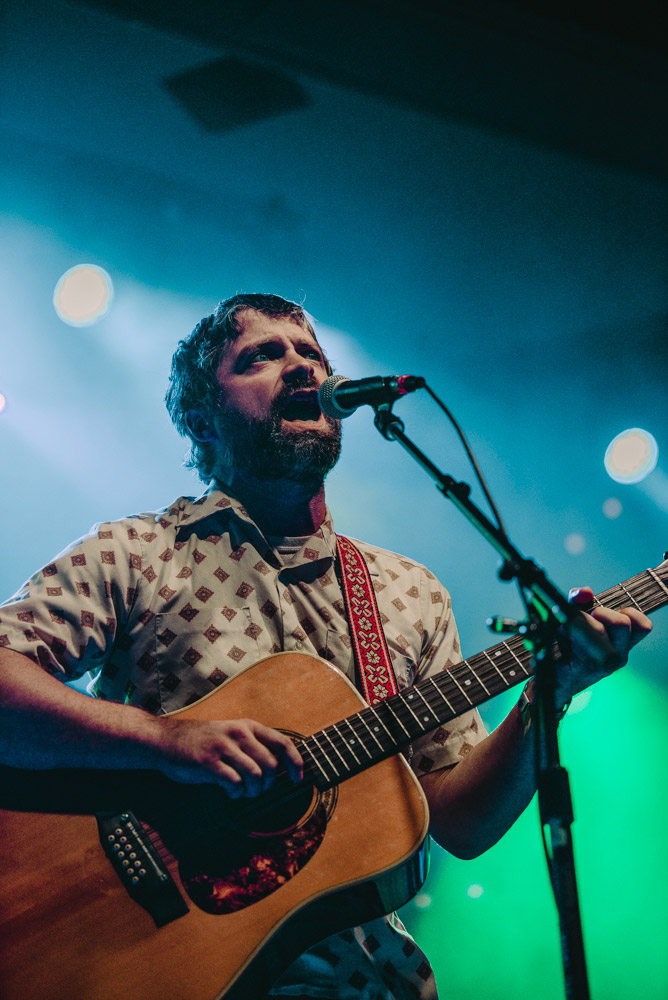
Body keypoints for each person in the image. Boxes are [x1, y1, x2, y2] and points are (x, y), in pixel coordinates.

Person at [0, 292, 652, 1000]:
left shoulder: (409, 592)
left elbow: (459, 819)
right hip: (163, 969)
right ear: (200, 420)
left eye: (311, 353)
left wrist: (546, 696)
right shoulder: (139, 552)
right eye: (262, 356)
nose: (300, 367)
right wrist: (166, 742)